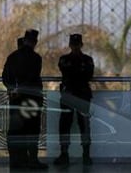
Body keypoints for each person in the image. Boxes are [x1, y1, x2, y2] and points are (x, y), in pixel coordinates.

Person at [2, 29, 48, 170]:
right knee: (32, 130)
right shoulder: (36, 58)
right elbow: (32, 77)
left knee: (16, 130)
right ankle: (32, 160)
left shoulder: (12, 57)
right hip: (32, 99)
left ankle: (16, 161)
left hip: (16, 99)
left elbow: (5, 77)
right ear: (34, 42)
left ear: (24, 40)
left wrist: (12, 90)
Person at [54, 34, 94, 167]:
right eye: (74, 44)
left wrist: (74, 73)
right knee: (68, 125)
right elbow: (78, 74)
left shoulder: (70, 60)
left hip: (73, 94)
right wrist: (78, 72)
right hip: (75, 95)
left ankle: (84, 154)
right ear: (70, 45)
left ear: (80, 45)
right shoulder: (80, 60)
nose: (75, 47)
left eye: (77, 44)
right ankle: (67, 154)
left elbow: (86, 75)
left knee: (82, 125)